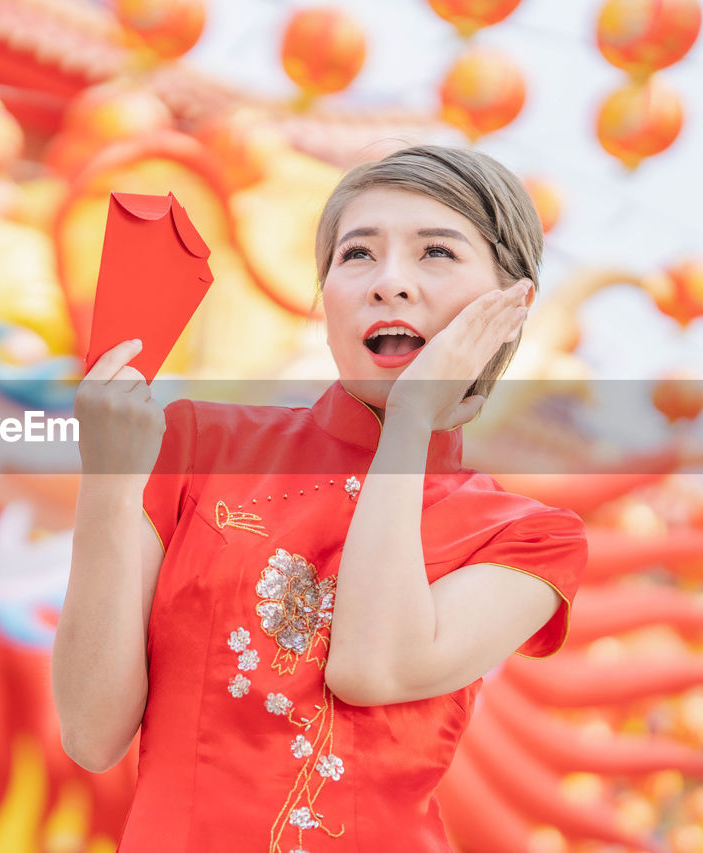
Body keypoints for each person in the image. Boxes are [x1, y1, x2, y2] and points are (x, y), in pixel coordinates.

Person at [51, 144, 589, 852]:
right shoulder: (196, 447)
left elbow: (372, 668)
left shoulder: (527, 538)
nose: (389, 282)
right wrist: (109, 485)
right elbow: (92, 733)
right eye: (358, 254)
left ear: (510, 308)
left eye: (436, 253)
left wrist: (412, 419)